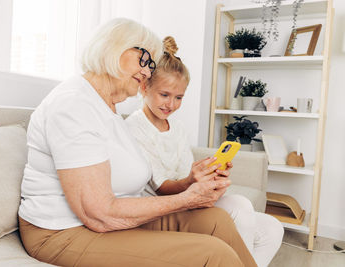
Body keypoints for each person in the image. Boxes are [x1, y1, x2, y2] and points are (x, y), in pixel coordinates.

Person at [18, 18, 257, 267]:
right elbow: (97, 214)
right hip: (63, 231)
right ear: (113, 48)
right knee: (213, 254)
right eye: (144, 60)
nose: (147, 71)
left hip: (112, 217)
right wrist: (188, 199)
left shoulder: (108, 107)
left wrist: (191, 183)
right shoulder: (73, 105)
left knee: (216, 220)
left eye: (151, 65)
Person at [126, 36, 284, 267]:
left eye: (179, 97)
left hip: (185, 199)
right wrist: (192, 180)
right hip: (160, 208)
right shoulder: (134, 127)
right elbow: (161, 188)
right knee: (239, 206)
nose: (171, 105)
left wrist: (209, 176)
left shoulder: (177, 128)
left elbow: (186, 175)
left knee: (273, 228)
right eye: (164, 95)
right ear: (144, 87)